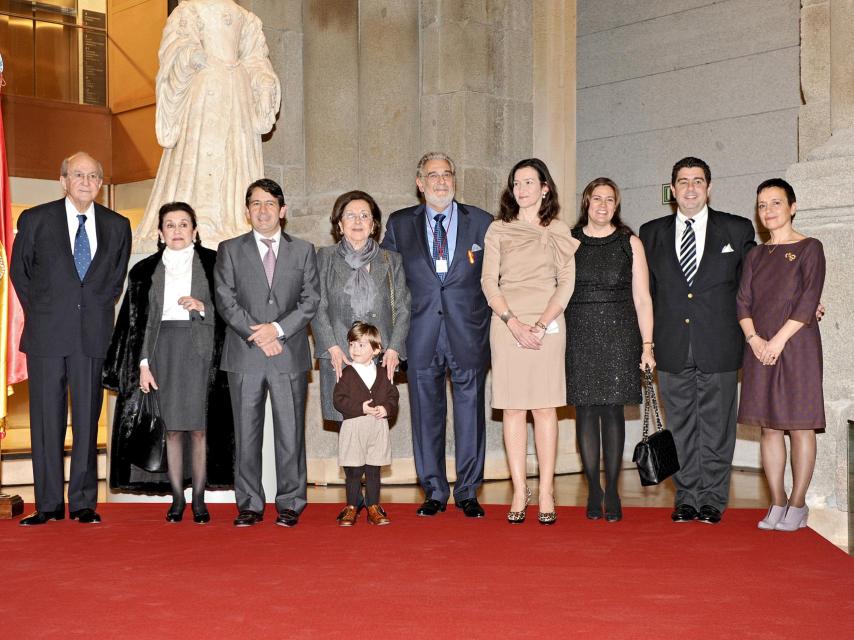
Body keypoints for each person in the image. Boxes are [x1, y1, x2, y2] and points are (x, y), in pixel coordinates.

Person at [11, 152, 132, 526]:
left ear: (100, 183)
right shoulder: (35, 219)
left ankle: (82, 503)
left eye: (93, 175)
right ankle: (47, 505)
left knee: (87, 420)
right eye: (78, 174)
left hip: (92, 337)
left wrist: (92, 307)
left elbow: (114, 279)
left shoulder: (118, 225)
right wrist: (46, 312)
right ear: (62, 180)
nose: (86, 181)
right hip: (47, 335)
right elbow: (21, 273)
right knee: (46, 423)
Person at [639, 157, 755, 525]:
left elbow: (757, 285)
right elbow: (644, 294)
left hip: (719, 344)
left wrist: (803, 299)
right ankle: (686, 497)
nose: (691, 188)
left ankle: (713, 500)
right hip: (670, 345)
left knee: (717, 427)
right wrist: (645, 345)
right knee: (681, 427)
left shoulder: (736, 230)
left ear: (709, 187)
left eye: (698, 181)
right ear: (672, 190)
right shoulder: (651, 232)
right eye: (683, 181)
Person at [102, 202, 234, 524]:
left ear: (195, 230)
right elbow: (138, 324)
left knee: (200, 430)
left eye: (184, 224)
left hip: (201, 352)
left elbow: (232, 311)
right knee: (173, 430)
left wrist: (204, 307)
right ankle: (178, 499)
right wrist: (143, 363)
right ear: (160, 232)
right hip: (162, 352)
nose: (177, 230)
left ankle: (200, 501)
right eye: (170, 225)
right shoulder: (144, 270)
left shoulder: (214, 263)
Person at [381, 152, 493, 518]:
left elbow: (497, 281)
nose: (441, 181)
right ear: (420, 183)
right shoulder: (400, 224)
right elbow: (388, 284)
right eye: (433, 175)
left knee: (470, 414)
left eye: (447, 174)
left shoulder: (481, 222)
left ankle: (467, 491)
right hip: (420, 334)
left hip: (468, 333)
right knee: (426, 415)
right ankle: (433, 489)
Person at [214, 178, 319, 528]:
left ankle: (290, 502)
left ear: (283, 210)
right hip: (244, 355)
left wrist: (277, 330)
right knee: (246, 435)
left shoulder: (303, 250)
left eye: (270, 203)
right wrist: (258, 334)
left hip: (288, 353)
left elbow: (310, 300)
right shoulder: (229, 249)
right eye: (256, 204)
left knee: (291, 433)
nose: (263, 210)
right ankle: (249, 504)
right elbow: (225, 300)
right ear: (247, 211)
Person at [135, 0, 281, 246]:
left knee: (234, 157)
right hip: (204, 96)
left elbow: (256, 58)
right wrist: (191, 56)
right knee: (201, 156)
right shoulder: (190, 10)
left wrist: (264, 81)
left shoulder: (246, 18)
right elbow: (175, 47)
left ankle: (234, 219)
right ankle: (197, 221)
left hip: (238, 97)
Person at [481, 158, 578, 525]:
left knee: (544, 407)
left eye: (528, 182)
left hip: (548, 321)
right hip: (507, 322)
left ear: (544, 188)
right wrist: (513, 321)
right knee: (513, 408)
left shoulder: (559, 229)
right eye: (515, 183)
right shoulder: (498, 230)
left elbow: (566, 283)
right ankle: (520, 489)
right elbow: (489, 281)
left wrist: (540, 323)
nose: (520, 189)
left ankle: (548, 490)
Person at [736, 179, 825, 532]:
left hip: (798, 345)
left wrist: (777, 342)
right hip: (759, 347)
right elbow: (742, 301)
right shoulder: (756, 255)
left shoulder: (809, 248)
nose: (768, 210)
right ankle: (776, 501)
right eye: (762, 205)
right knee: (769, 428)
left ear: (793, 206)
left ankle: (798, 505)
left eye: (776, 203)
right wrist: (756, 340)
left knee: (800, 426)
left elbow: (808, 300)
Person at [566, 178, 655, 522]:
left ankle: (614, 489)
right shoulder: (569, 241)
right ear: (586, 202)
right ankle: (593, 488)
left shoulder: (629, 243)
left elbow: (643, 298)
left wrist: (647, 346)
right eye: (596, 199)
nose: (603, 206)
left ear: (617, 205)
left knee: (613, 412)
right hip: (579, 334)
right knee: (586, 412)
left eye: (610, 200)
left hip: (620, 335)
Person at [311, 190, 410, 427]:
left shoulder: (391, 260)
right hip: (340, 356)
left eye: (365, 215)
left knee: (376, 431)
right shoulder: (324, 257)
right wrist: (332, 347)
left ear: (374, 225)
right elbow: (316, 304)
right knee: (348, 431)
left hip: (379, 358)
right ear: (340, 225)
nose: (358, 221)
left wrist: (394, 349)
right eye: (350, 215)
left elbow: (404, 308)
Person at [333, 322, 400, 526]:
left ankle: (373, 506)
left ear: (376, 349)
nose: (355, 349)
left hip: (377, 428)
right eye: (352, 344)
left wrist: (386, 409)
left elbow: (393, 396)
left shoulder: (383, 374)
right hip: (354, 427)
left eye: (361, 345)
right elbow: (338, 400)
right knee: (353, 470)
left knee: (373, 470)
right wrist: (359, 408)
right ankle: (352, 506)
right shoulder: (347, 374)